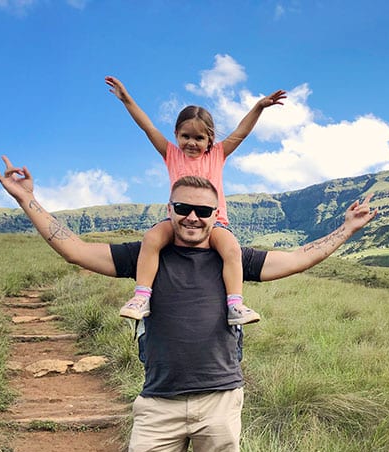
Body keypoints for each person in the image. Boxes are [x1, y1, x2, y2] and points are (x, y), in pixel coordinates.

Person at [0, 156, 376, 452]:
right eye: (182, 208)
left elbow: (300, 257)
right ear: (169, 209)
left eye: (203, 211)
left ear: (216, 215)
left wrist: (346, 229)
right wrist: (27, 199)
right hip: (159, 401)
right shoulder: (145, 254)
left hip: (221, 399)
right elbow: (74, 250)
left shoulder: (232, 257)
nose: (192, 217)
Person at [105, 75, 287, 325]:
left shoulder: (218, 154)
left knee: (232, 249)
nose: (191, 143)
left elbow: (241, 133)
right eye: (185, 136)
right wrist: (127, 100)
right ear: (176, 135)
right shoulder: (171, 153)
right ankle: (141, 297)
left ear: (209, 139)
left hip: (215, 222)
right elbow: (148, 127)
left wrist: (258, 107)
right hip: (177, 221)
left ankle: (235, 304)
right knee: (151, 239)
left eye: (199, 138)